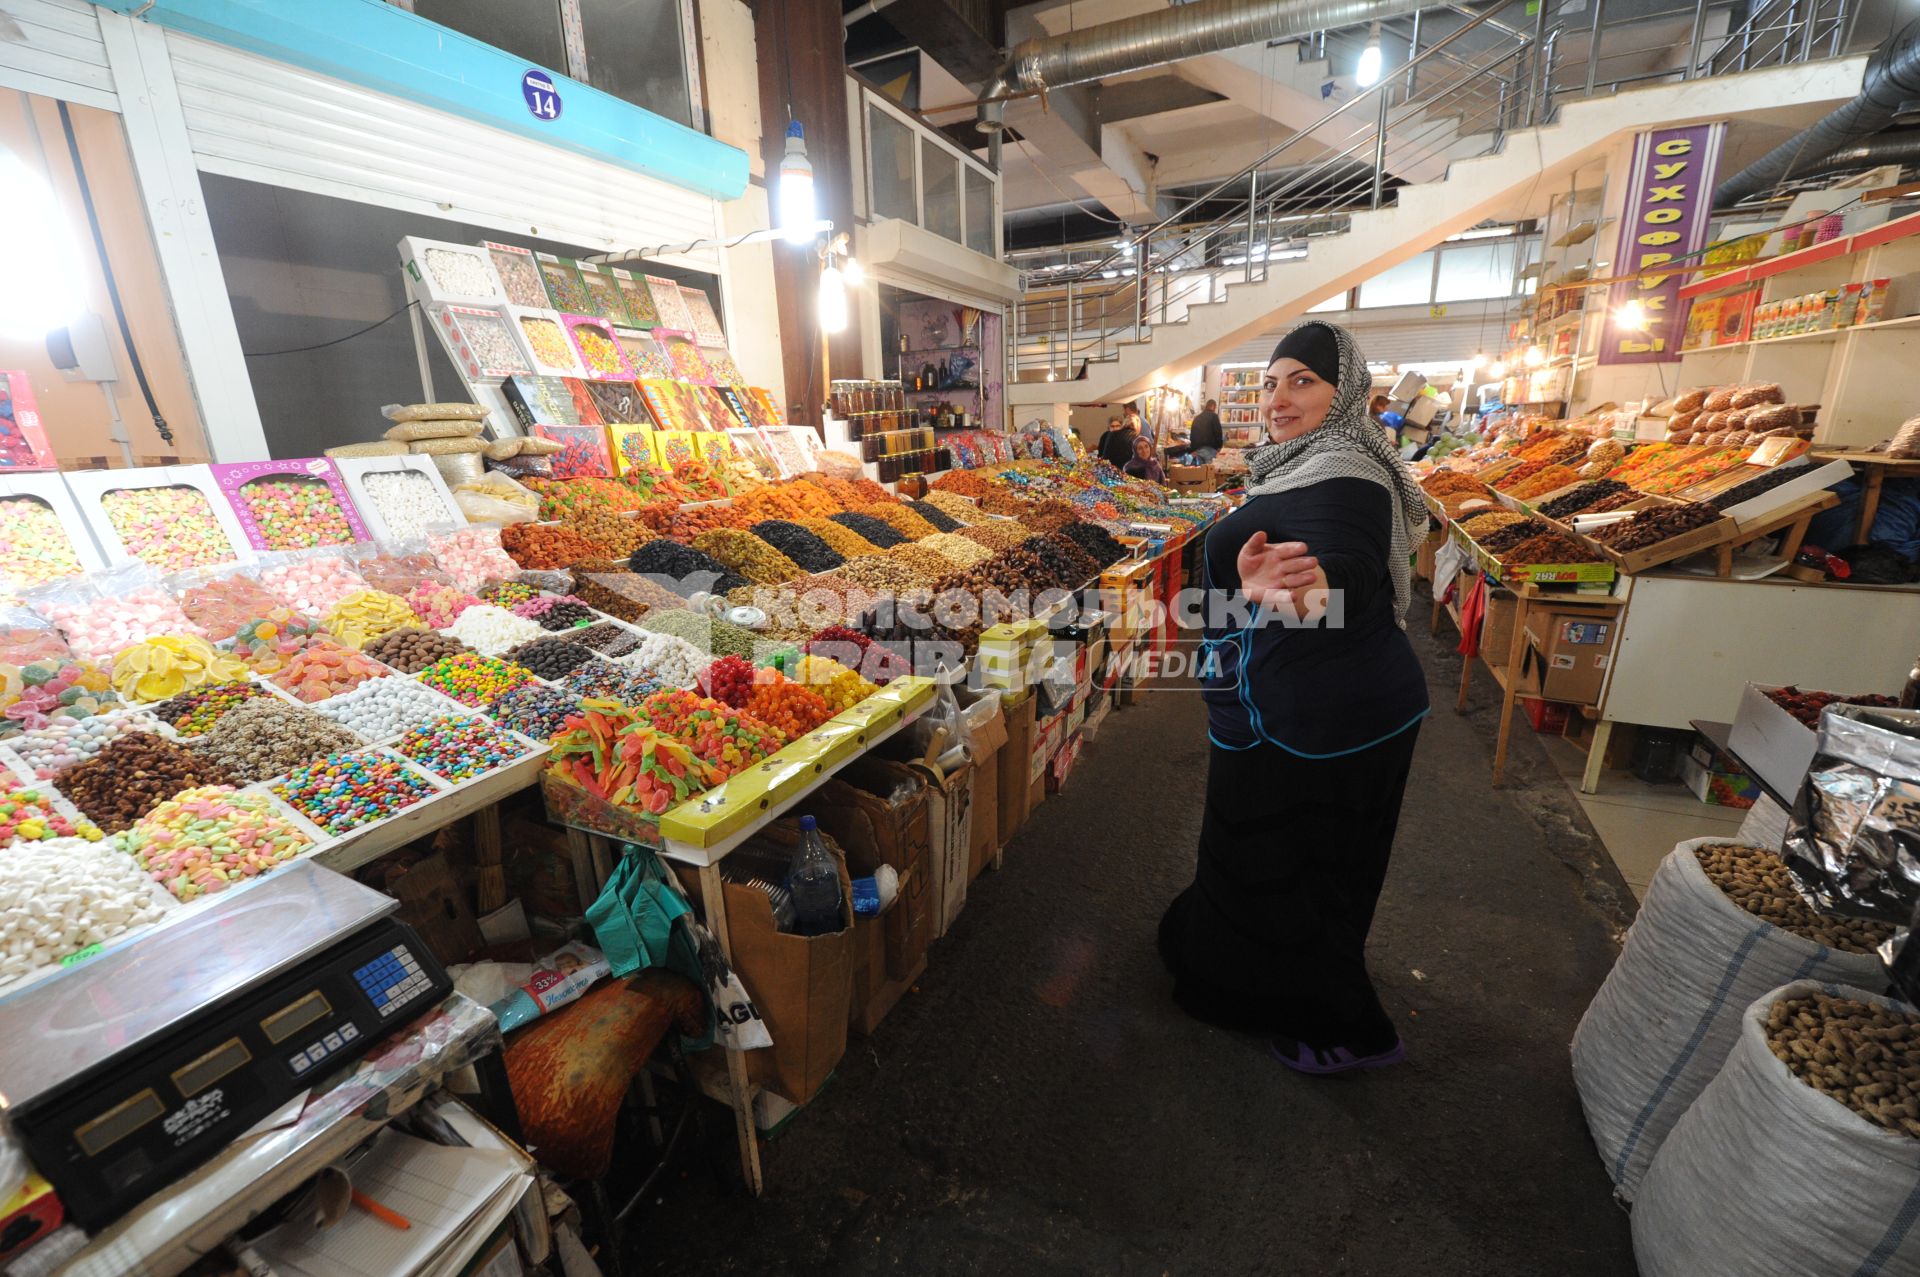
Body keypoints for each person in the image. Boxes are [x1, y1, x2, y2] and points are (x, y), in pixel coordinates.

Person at [1158, 319, 1431, 1076]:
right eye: (1272, 382)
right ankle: (1244, 983)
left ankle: (1352, 1030)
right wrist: (1240, 599)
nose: (1279, 399)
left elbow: (1348, 571)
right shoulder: (1293, 463)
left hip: (1329, 720)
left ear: (1344, 393)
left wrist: (1287, 594)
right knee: (1269, 857)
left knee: (1308, 873)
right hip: (1284, 709)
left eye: (1302, 382)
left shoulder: (1346, 468)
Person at [1187, 399, 1223, 463]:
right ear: (1213, 406)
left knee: (1201, 471)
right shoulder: (1214, 417)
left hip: (1198, 451)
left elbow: (1192, 435)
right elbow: (1218, 433)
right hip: (1210, 450)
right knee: (1209, 471)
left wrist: (1193, 449)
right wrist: (1219, 446)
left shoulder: (1197, 418)